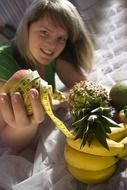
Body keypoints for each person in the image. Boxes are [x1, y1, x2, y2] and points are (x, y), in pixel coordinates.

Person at [0, 0, 94, 151]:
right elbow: (8, 140)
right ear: (27, 28)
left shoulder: (57, 53)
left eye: (61, 38)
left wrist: (55, 101)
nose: (52, 46)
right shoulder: (3, 62)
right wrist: (31, 121)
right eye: (44, 32)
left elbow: (84, 87)